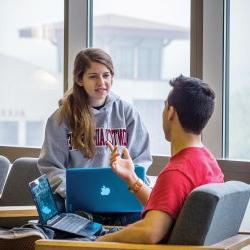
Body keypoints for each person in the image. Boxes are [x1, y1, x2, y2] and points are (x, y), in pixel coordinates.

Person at [97, 75, 224, 243]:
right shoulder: (207, 161)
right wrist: (131, 177)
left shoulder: (177, 172)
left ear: (171, 112)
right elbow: (167, 208)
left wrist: (102, 241)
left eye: (165, 107)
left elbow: (151, 232)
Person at [38, 48, 152, 225]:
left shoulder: (127, 112)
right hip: (79, 205)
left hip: (122, 199)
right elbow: (51, 166)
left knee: (144, 217)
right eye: (93, 76)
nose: (102, 82)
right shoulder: (60, 118)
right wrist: (74, 191)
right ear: (79, 79)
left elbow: (141, 159)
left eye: (106, 75)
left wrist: (131, 183)